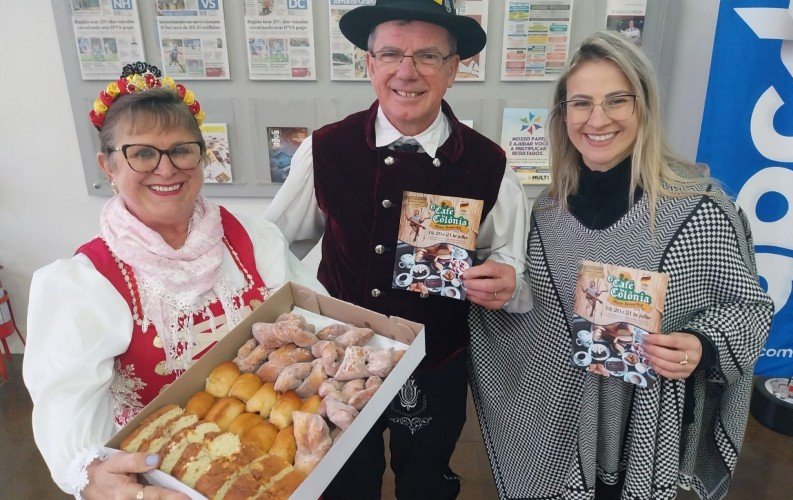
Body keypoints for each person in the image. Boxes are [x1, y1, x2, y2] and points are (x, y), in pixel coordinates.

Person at [469, 32, 773, 499]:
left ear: (643, 107)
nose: (597, 119)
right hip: (557, 423)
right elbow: (539, 318)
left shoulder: (699, 211)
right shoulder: (549, 211)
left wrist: (700, 346)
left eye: (616, 101)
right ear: (563, 114)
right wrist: (490, 289)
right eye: (581, 103)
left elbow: (749, 309)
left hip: (644, 427)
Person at [264, 1, 530, 497]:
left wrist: (504, 278)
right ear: (369, 64)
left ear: (453, 69)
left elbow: (511, 262)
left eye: (428, 56)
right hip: (338, 361)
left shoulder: (488, 164)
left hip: (435, 363)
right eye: (391, 54)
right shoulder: (326, 149)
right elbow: (274, 242)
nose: (407, 72)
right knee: (342, 482)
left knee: (428, 482)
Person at [23, 62, 325, 499]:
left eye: (182, 150)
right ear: (108, 165)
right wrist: (94, 476)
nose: (166, 169)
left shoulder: (254, 240)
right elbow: (64, 412)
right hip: (164, 479)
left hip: (276, 461)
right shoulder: (84, 282)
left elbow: (312, 320)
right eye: (142, 153)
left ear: (203, 155)